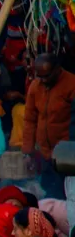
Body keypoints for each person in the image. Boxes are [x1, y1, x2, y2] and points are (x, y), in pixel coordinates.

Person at [21, 54, 75, 194]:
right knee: (49, 195)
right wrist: (28, 152)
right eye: (40, 77)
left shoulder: (71, 84)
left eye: (47, 76)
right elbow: (29, 120)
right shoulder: (35, 86)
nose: (43, 80)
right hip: (44, 154)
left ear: (57, 70)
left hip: (67, 155)